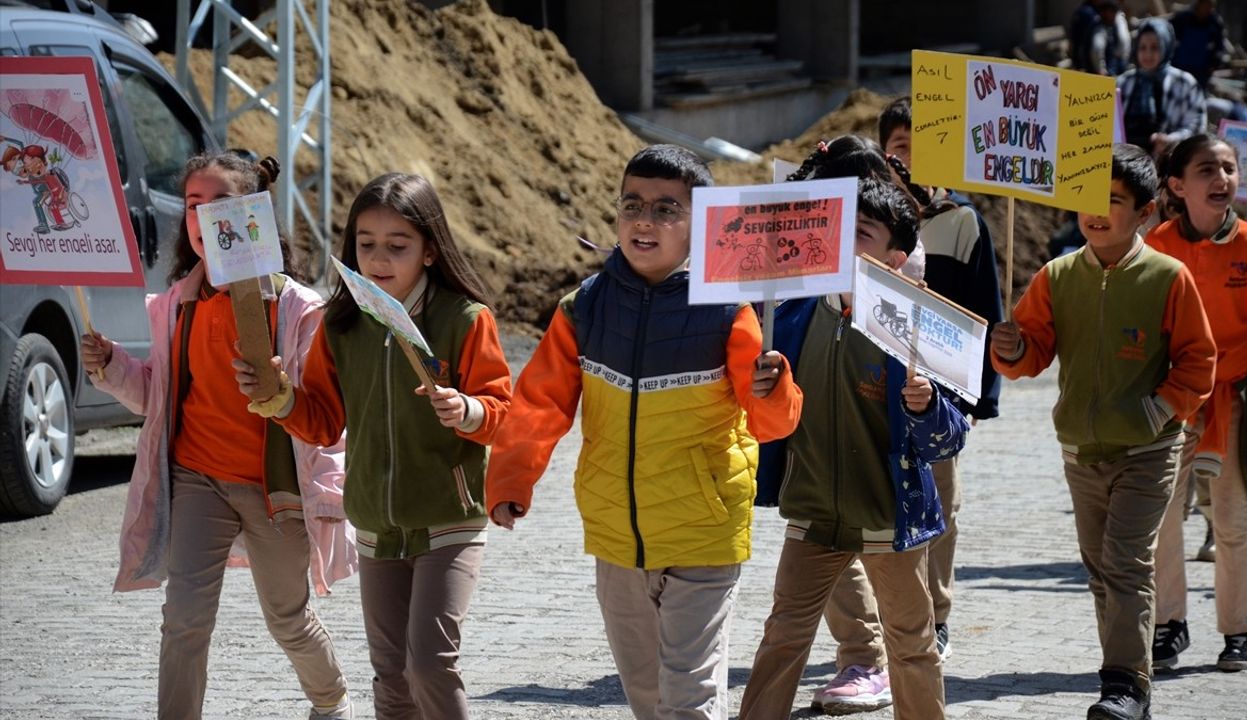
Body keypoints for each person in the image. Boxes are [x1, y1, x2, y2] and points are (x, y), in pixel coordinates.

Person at [485, 144, 803, 719]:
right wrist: (510, 479)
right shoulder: (583, 307)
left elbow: (772, 423)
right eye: (632, 205)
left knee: (687, 700)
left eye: (665, 209)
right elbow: (538, 405)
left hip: (703, 532)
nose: (644, 221)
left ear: (702, 225)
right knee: (648, 699)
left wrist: (773, 386)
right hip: (616, 537)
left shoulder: (728, 309)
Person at [79, 152, 357, 720]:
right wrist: (111, 366)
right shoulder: (177, 304)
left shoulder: (300, 311)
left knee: (287, 616)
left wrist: (326, 491)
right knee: (184, 618)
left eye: (222, 206)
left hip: (275, 494)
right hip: (195, 478)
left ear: (254, 217)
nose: (204, 219)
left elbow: (326, 417)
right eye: (192, 205)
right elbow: (158, 394)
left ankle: (331, 701)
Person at [235, 172, 513, 719]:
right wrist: (277, 397)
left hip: (448, 519)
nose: (379, 259)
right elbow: (320, 422)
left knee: (430, 664)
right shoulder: (342, 325)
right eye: (366, 245)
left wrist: (468, 410)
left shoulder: (465, 319)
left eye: (397, 245)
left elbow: (504, 413)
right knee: (391, 678)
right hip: (374, 525)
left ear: (430, 251)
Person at [990, 144, 1216, 720]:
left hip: (1149, 449)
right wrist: (1011, 350)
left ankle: (1126, 688)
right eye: (1087, 200)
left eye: (1112, 201)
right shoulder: (1056, 275)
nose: (1095, 212)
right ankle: (1123, 674)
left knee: (1124, 564)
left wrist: (1157, 411)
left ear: (1144, 213)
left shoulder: (1170, 277)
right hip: (1079, 454)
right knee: (1101, 571)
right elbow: (1031, 354)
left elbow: (1198, 362)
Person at [739, 178, 965, 720]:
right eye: (837, 230)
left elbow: (951, 435)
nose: (843, 245)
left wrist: (924, 406)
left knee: (911, 646)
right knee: (782, 639)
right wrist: (761, 389)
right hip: (813, 512)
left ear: (896, 257)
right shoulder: (788, 313)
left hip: (892, 517)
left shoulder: (918, 327)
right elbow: (767, 413)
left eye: (861, 234)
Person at [1147, 133, 1247, 674]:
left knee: (1229, 521)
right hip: (1170, 398)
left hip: (1233, 395)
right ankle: (1168, 624)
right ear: (1178, 186)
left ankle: (1241, 628)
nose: (1222, 178)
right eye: (1207, 169)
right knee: (1159, 519)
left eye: (1229, 168)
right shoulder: (1154, 243)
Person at [879, 97, 1005, 663]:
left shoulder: (963, 223)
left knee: (941, 506)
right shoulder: (868, 223)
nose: (907, 158)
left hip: (942, 395)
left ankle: (938, 614)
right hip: (876, 384)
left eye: (919, 147)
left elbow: (988, 310)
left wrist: (982, 396)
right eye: (899, 146)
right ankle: (888, 621)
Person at [1117, 18, 1207, 157]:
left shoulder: (1185, 84)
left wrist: (1170, 141)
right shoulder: (1123, 82)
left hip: (1167, 164)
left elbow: (1196, 128)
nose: (1148, 54)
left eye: (1155, 47)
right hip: (1125, 162)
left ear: (1166, 46)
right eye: (1142, 47)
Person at [1171, 0, 1229, 88]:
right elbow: (1170, 38)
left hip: (1201, 71)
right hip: (1180, 67)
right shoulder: (1182, 19)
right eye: (1206, 4)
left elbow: (1219, 47)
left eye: (1211, 5)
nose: (1208, 8)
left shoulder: (1215, 23)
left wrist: (1214, 63)